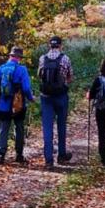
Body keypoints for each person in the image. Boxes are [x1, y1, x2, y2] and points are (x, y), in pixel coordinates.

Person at [0, 46, 34, 166]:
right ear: (19, 57)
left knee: (3, 129)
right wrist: (31, 98)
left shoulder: (1, 68)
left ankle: (0, 155)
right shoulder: (22, 69)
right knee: (19, 128)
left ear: (10, 56)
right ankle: (19, 155)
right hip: (18, 105)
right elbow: (26, 88)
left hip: (3, 105)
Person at [37, 35, 73, 168]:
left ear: (49, 45)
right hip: (61, 96)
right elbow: (69, 78)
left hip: (46, 97)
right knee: (61, 125)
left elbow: (39, 75)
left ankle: (48, 159)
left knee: (47, 128)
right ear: (60, 45)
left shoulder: (42, 59)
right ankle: (62, 155)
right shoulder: (65, 58)